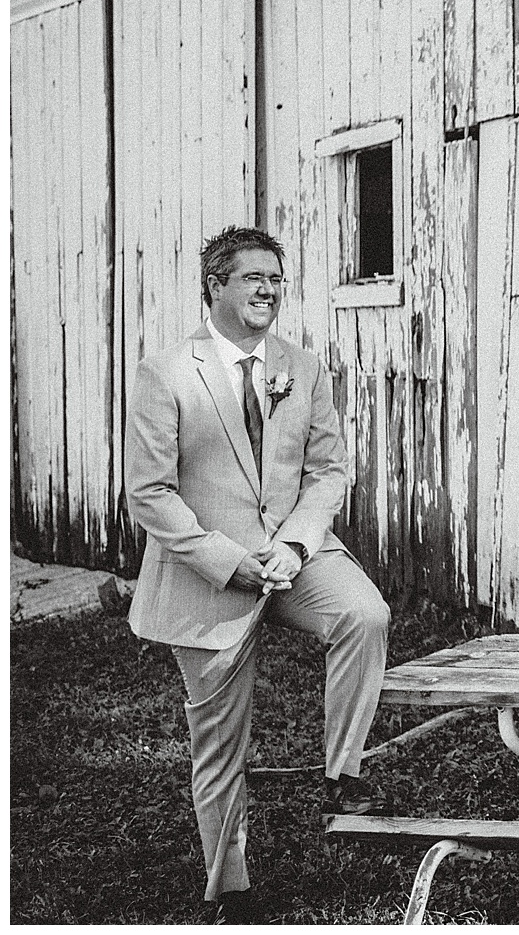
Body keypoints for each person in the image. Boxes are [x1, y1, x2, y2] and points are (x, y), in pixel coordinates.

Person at [124, 226, 390, 918]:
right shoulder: (165, 373)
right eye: (253, 278)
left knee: (365, 615)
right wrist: (226, 560)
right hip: (207, 569)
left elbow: (330, 470)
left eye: (277, 278)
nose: (269, 289)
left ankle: (343, 772)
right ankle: (230, 887)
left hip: (292, 554)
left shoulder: (301, 365)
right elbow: (150, 493)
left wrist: (298, 545)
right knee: (219, 742)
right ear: (214, 285)